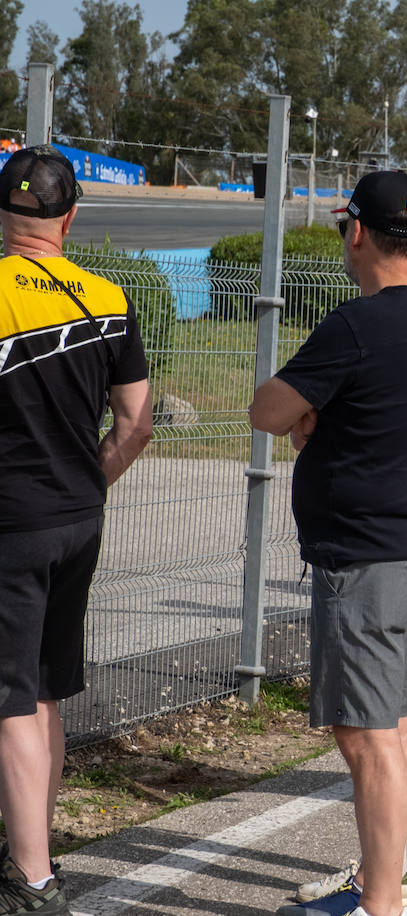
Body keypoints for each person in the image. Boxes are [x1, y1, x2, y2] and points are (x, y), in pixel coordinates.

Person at [250, 170, 407, 916]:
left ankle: (381, 903)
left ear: (359, 234)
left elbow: (268, 409)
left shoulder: (357, 324)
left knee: (367, 741)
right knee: (395, 729)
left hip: (366, 566)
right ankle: (393, 882)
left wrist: (312, 417)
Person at [0, 145, 153, 915]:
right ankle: (35, 843)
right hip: (76, 520)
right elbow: (137, 421)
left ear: (4, 214)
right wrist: (89, 481)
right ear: (70, 217)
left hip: (11, 526)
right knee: (48, 691)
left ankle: (31, 879)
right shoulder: (108, 297)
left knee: (11, 700)